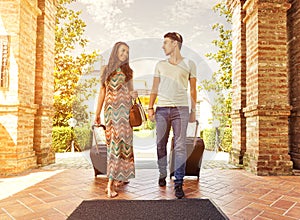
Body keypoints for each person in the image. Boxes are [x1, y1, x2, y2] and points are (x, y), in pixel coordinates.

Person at [148, 32, 197, 199]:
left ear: (175, 44)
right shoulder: (160, 65)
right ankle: (162, 172)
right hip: (162, 109)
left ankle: (178, 182)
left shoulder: (190, 64)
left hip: (181, 109)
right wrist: (150, 107)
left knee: (180, 145)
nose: (163, 46)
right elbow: (154, 88)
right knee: (160, 143)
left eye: (166, 43)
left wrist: (193, 110)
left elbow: (193, 90)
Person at [94, 41, 138, 198]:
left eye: (127, 52)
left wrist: (134, 95)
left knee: (124, 145)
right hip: (112, 113)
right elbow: (102, 92)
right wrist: (97, 114)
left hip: (126, 114)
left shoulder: (129, 72)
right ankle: (110, 184)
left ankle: (120, 177)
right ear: (115, 51)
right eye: (122, 51)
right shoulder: (106, 69)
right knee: (114, 146)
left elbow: (131, 92)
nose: (125, 54)